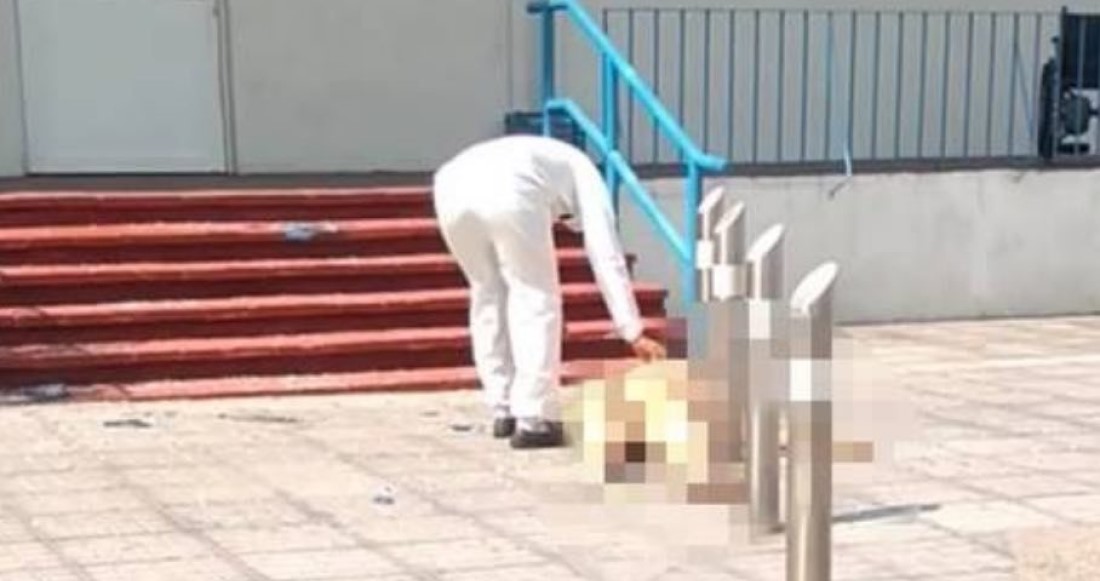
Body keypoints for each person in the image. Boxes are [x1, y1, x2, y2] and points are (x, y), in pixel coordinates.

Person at [432, 134, 667, 449]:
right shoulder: (585, 174)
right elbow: (606, 253)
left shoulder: (550, 160)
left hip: (450, 184)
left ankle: (502, 407)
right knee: (536, 297)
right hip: (510, 188)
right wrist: (632, 331)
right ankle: (535, 417)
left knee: (487, 292)